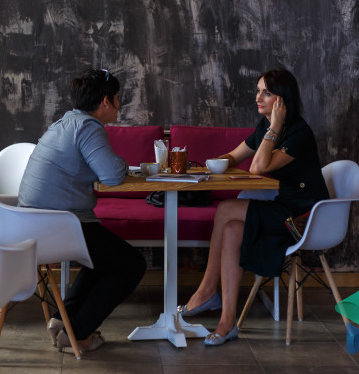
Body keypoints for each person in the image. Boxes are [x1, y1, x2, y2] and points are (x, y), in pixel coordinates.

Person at [177, 68, 329, 346]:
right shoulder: (264, 126)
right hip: (284, 206)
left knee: (225, 210)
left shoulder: (298, 132)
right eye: (258, 91)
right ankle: (227, 322)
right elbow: (236, 155)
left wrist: (275, 127)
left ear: (282, 99)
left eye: (266, 93)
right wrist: (214, 164)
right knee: (232, 230)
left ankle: (207, 290)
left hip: (304, 216)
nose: (258, 97)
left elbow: (258, 167)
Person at [18, 68, 146, 354]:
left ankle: (63, 321)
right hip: (57, 224)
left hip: (31, 222)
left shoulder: (65, 122)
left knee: (102, 260)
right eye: (117, 98)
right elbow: (113, 175)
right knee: (132, 265)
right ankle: (78, 333)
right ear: (106, 101)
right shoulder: (88, 127)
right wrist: (123, 164)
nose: (119, 105)